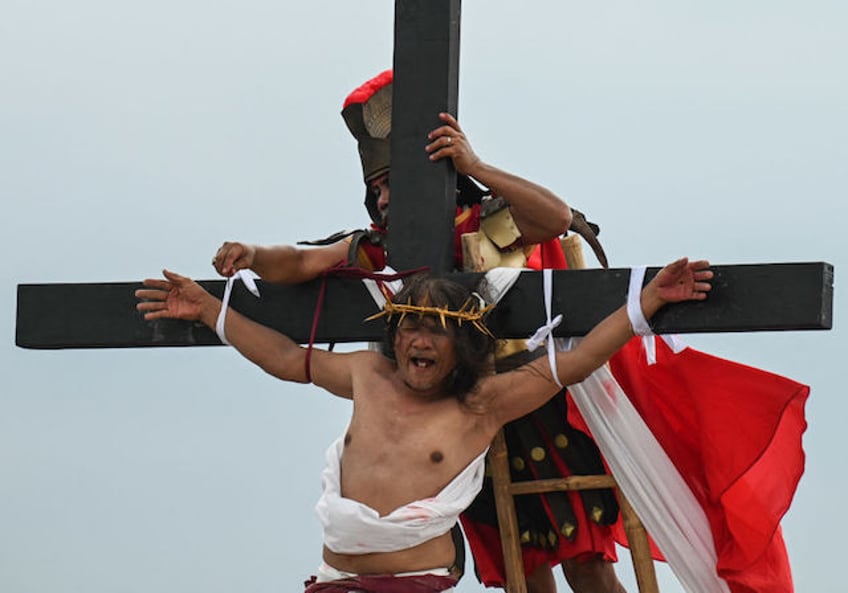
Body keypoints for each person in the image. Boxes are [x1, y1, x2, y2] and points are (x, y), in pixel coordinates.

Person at [211, 70, 621, 593]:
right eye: (375, 189)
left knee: (585, 561)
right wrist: (256, 256)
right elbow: (301, 261)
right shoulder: (379, 247)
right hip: (449, 421)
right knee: (525, 570)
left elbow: (554, 217)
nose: (382, 200)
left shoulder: (482, 220)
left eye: (392, 185)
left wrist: (474, 166)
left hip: (530, 401)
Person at [135, 258, 713, 593]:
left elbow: (576, 362)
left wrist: (647, 304)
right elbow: (288, 359)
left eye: (435, 331)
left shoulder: (482, 403)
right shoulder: (367, 373)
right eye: (409, 326)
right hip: (335, 581)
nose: (418, 340)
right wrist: (211, 309)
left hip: (417, 585)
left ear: (462, 346)